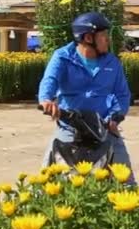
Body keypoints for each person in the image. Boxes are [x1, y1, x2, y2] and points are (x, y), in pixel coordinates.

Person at [38, 11, 134, 181]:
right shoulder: (62, 57)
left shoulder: (112, 62)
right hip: (70, 125)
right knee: (47, 176)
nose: (107, 40)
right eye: (103, 35)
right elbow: (49, 80)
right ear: (89, 38)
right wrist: (46, 100)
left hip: (103, 126)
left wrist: (116, 116)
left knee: (125, 177)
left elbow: (122, 94)